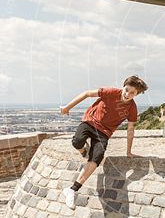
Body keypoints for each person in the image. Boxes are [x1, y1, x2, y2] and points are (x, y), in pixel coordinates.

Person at [59, 75, 148, 208]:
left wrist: (129, 151)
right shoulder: (111, 92)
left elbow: (130, 130)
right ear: (123, 86)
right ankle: (83, 151)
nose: (127, 94)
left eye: (132, 93)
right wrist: (67, 107)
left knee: (97, 157)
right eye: (127, 90)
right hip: (90, 121)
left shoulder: (132, 109)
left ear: (137, 94)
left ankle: (72, 190)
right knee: (77, 142)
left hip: (104, 132)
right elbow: (87, 93)